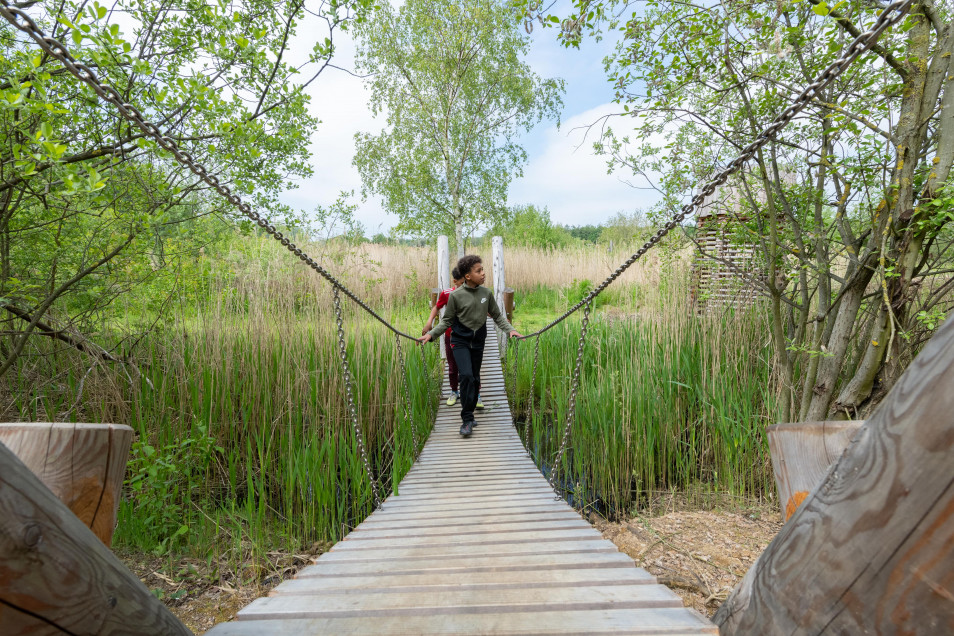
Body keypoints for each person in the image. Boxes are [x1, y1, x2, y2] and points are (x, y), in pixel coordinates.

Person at [419, 255, 521, 437]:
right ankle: (467, 419)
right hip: (460, 341)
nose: (483, 273)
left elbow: (497, 316)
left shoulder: (486, 294)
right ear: (467, 276)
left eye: (483, 270)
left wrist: (510, 330)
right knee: (465, 376)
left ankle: (471, 412)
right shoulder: (456, 296)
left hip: (479, 341)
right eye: (478, 271)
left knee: (474, 378)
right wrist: (431, 334)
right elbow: (447, 321)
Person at [423, 267, 464, 406]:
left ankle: (475, 393)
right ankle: (454, 391)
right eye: (462, 282)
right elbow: (436, 307)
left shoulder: (472, 292)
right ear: (455, 281)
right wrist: (430, 322)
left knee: (471, 366)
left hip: (467, 336)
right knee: (452, 366)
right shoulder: (447, 293)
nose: (465, 285)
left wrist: (497, 318)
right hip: (450, 335)